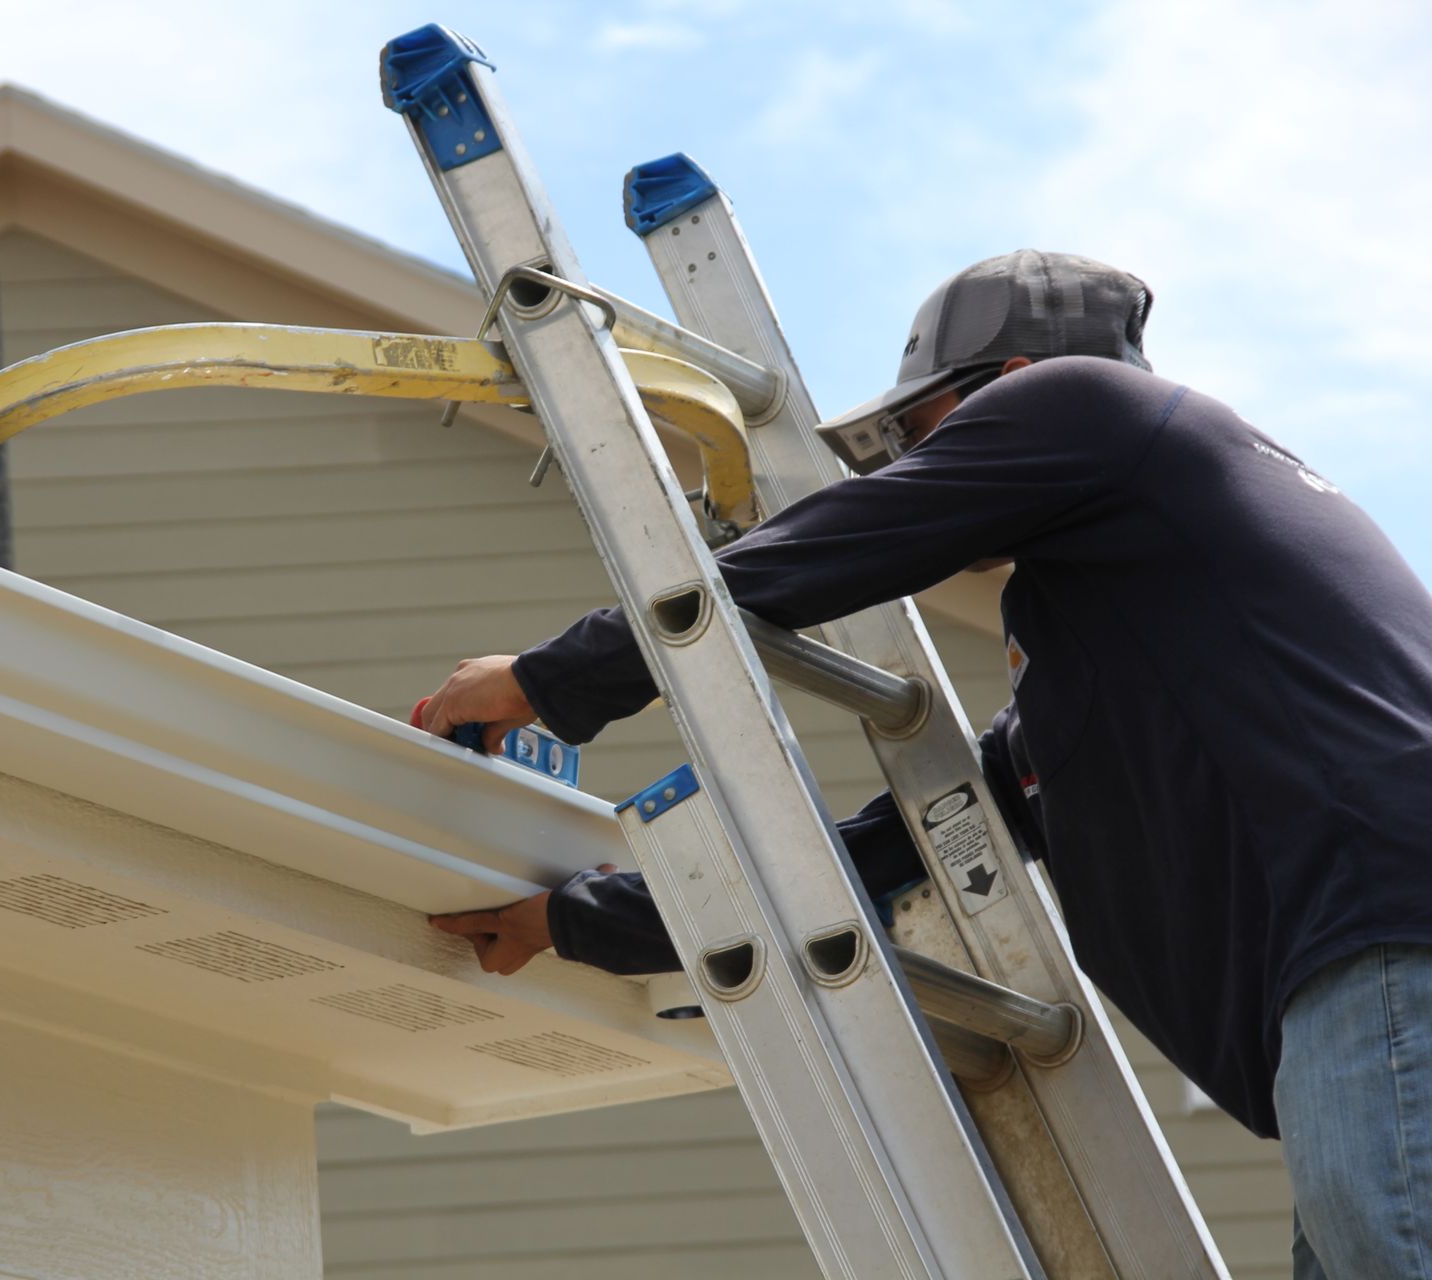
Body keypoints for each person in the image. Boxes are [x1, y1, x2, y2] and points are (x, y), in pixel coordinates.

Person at [418, 250, 1432, 1279]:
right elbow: (905, 846)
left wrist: (552, 680)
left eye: (921, 424)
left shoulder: (1085, 402)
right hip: (1360, 961)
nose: (910, 456)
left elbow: (835, 543)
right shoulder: (1131, 635)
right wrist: (575, 920)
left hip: (1385, 932)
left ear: (1015, 374)